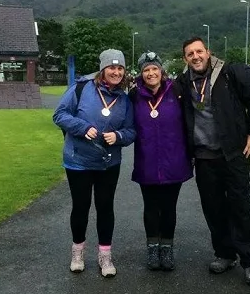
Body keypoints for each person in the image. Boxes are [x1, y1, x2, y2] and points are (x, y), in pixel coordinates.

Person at [176, 37, 250, 286]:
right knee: (214, 209)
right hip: (205, 157)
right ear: (185, 59)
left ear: (208, 52)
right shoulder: (183, 82)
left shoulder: (231, 73)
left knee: (240, 207)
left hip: (234, 154)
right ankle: (225, 254)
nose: (195, 56)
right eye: (189, 54)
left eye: (199, 51)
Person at [53, 49, 136, 278]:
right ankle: (77, 252)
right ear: (103, 69)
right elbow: (59, 115)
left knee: (105, 208)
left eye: (120, 68)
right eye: (112, 67)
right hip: (78, 161)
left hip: (108, 163)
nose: (116, 72)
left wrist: (118, 137)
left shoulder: (125, 99)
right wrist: (82, 128)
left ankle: (105, 255)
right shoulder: (81, 88)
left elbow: (131, 131)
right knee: (80, 207)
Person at [128, 51, 193, 271]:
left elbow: (192, 119)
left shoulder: (176, 91)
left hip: (173, 159)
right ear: (141, 73)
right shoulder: (134, 95)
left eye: (154, 68)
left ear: (161, 70)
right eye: (146, 70)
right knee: (150, 207)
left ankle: (167, 249)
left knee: (169, 207)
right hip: (147, 159)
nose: (151, 73)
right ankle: (152, 249)